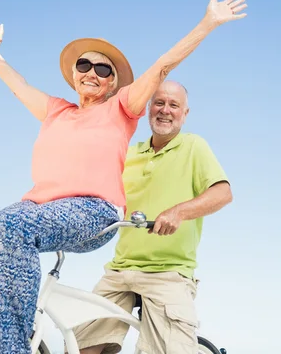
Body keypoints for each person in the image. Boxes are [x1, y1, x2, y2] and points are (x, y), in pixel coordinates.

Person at [0, 0, 247, 354]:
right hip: (40, 209)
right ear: (73, 74)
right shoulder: (56, 110)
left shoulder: (121, 108)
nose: (92, 73)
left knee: (13, 230)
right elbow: (18, 85)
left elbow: (163, 66)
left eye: (103, 69)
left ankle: (11, 348)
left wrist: (207, 24)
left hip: (92, 211)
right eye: (84, 66)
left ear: (112, 83)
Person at [74, 80, 233, 354]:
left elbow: (223, 193)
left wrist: (178, 211)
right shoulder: (130, 154)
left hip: (168, 272)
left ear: (185, 113)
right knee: (79, 345)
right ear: (149, 108)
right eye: (159, 103)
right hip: (121, 269)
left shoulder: (194, 146)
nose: (165, 110)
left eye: (174, 105)